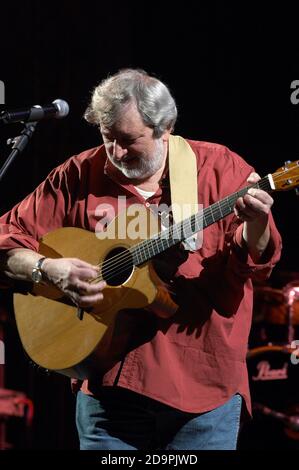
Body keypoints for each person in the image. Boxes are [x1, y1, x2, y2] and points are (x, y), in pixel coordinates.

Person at [0, 69, 282, 450]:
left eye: (128, 140)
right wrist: (47, 268)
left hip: (201, 392)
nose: (115, 153)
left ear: (164, 128)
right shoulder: (77, 174)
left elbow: (256, 262)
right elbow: (5, 239)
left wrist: (258, 223)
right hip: (108, 395)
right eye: (107, 137)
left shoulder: (220, 169)